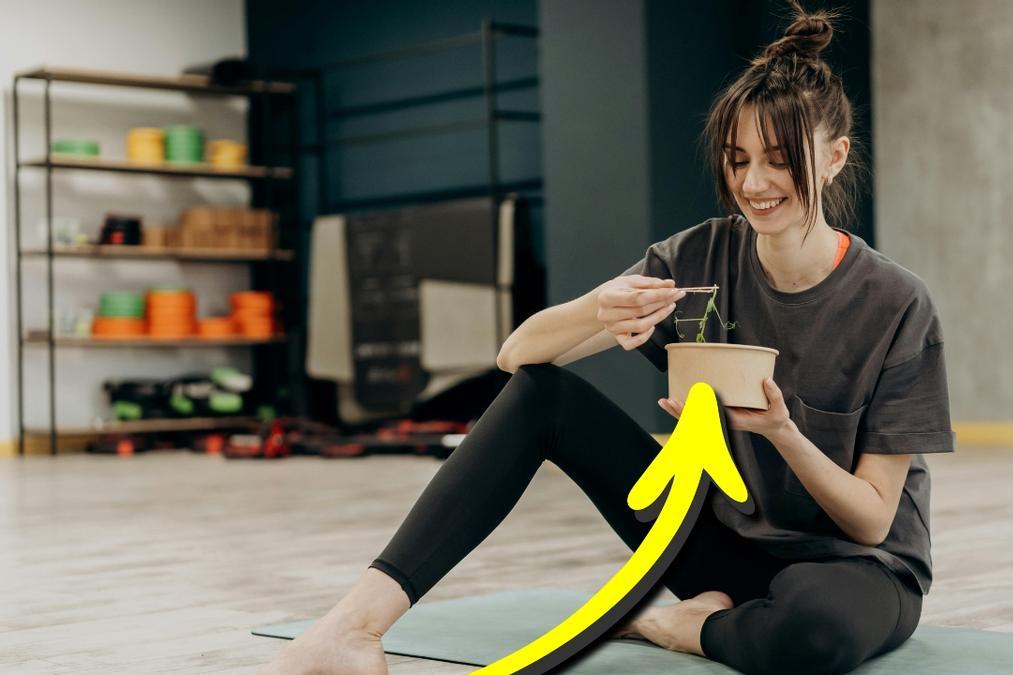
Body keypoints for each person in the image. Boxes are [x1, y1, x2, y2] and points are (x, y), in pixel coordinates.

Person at [259, 4, 954, 674]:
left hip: (855, 570)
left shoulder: (896, 304)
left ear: (834, 157)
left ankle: (679, 625)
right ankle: (351, 628)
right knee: (540, 395)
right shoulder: (697, 258)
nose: (754, 182)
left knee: (814, 631)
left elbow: (871, 521)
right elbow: (517, 357)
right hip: (724, 551)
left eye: (778, 159)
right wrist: (599, 307)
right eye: (737, 159)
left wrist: (783, 433)